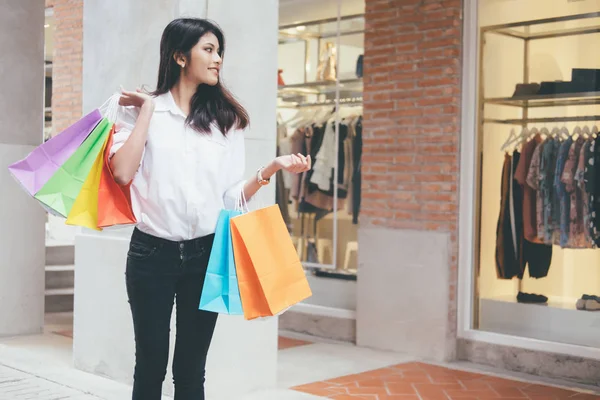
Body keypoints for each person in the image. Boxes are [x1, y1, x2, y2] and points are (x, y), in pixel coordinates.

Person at [109, 18, 311, 400]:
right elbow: (121, 173)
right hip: (151, 254)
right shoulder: (140, 113)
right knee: (150, 365)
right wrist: (149, 112)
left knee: (190, 370)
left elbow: (230, 197)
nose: (218, 59)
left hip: (205, 253)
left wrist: (270, 169)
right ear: (180, 56)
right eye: (209, 49)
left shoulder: (226, 121)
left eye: (219, 51)